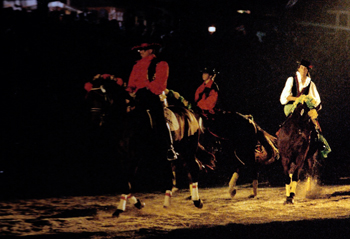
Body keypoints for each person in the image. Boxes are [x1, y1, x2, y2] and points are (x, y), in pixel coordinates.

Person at [126, 42, 178, 161]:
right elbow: (131, 83)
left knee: (158, 118)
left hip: (152, 96)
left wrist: (146, 89)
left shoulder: (160, 64)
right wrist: (129, 91)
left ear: (151, 50)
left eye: (143, 49)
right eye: (139, 50)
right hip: (137, 97)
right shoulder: (136, 65)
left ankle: (169, 148)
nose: (140, 52)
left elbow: (160, 84)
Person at [280, 59, 331, 158]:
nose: (303, 70)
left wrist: (312, 106)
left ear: (307, 71)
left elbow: (317, 100)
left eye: (305, 69)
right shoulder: (291, 80)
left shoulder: (310, 84)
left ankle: (318, 141)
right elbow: (285, 97)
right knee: (297, 115)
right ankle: (281, 138)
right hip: (291, 106)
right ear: (299, 69)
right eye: (302, 68)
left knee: (313, 122)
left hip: (304, 108)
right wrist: (298, 99)